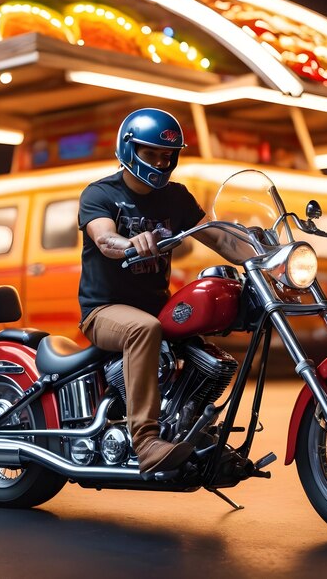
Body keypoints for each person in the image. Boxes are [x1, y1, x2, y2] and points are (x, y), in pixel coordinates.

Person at [78, 108, 221, 475]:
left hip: (157, 306)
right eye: (151, 153)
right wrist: (128, 242)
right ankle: (145, 442)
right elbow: (105, 238)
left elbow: (215, 234)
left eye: (167, 155)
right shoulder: (100, 193)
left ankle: (195, 427)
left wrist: (265, 253)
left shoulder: (176, 198)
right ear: (129, 150)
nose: (161, 161)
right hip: (105, 311)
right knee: (144, 329)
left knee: (206, 336)